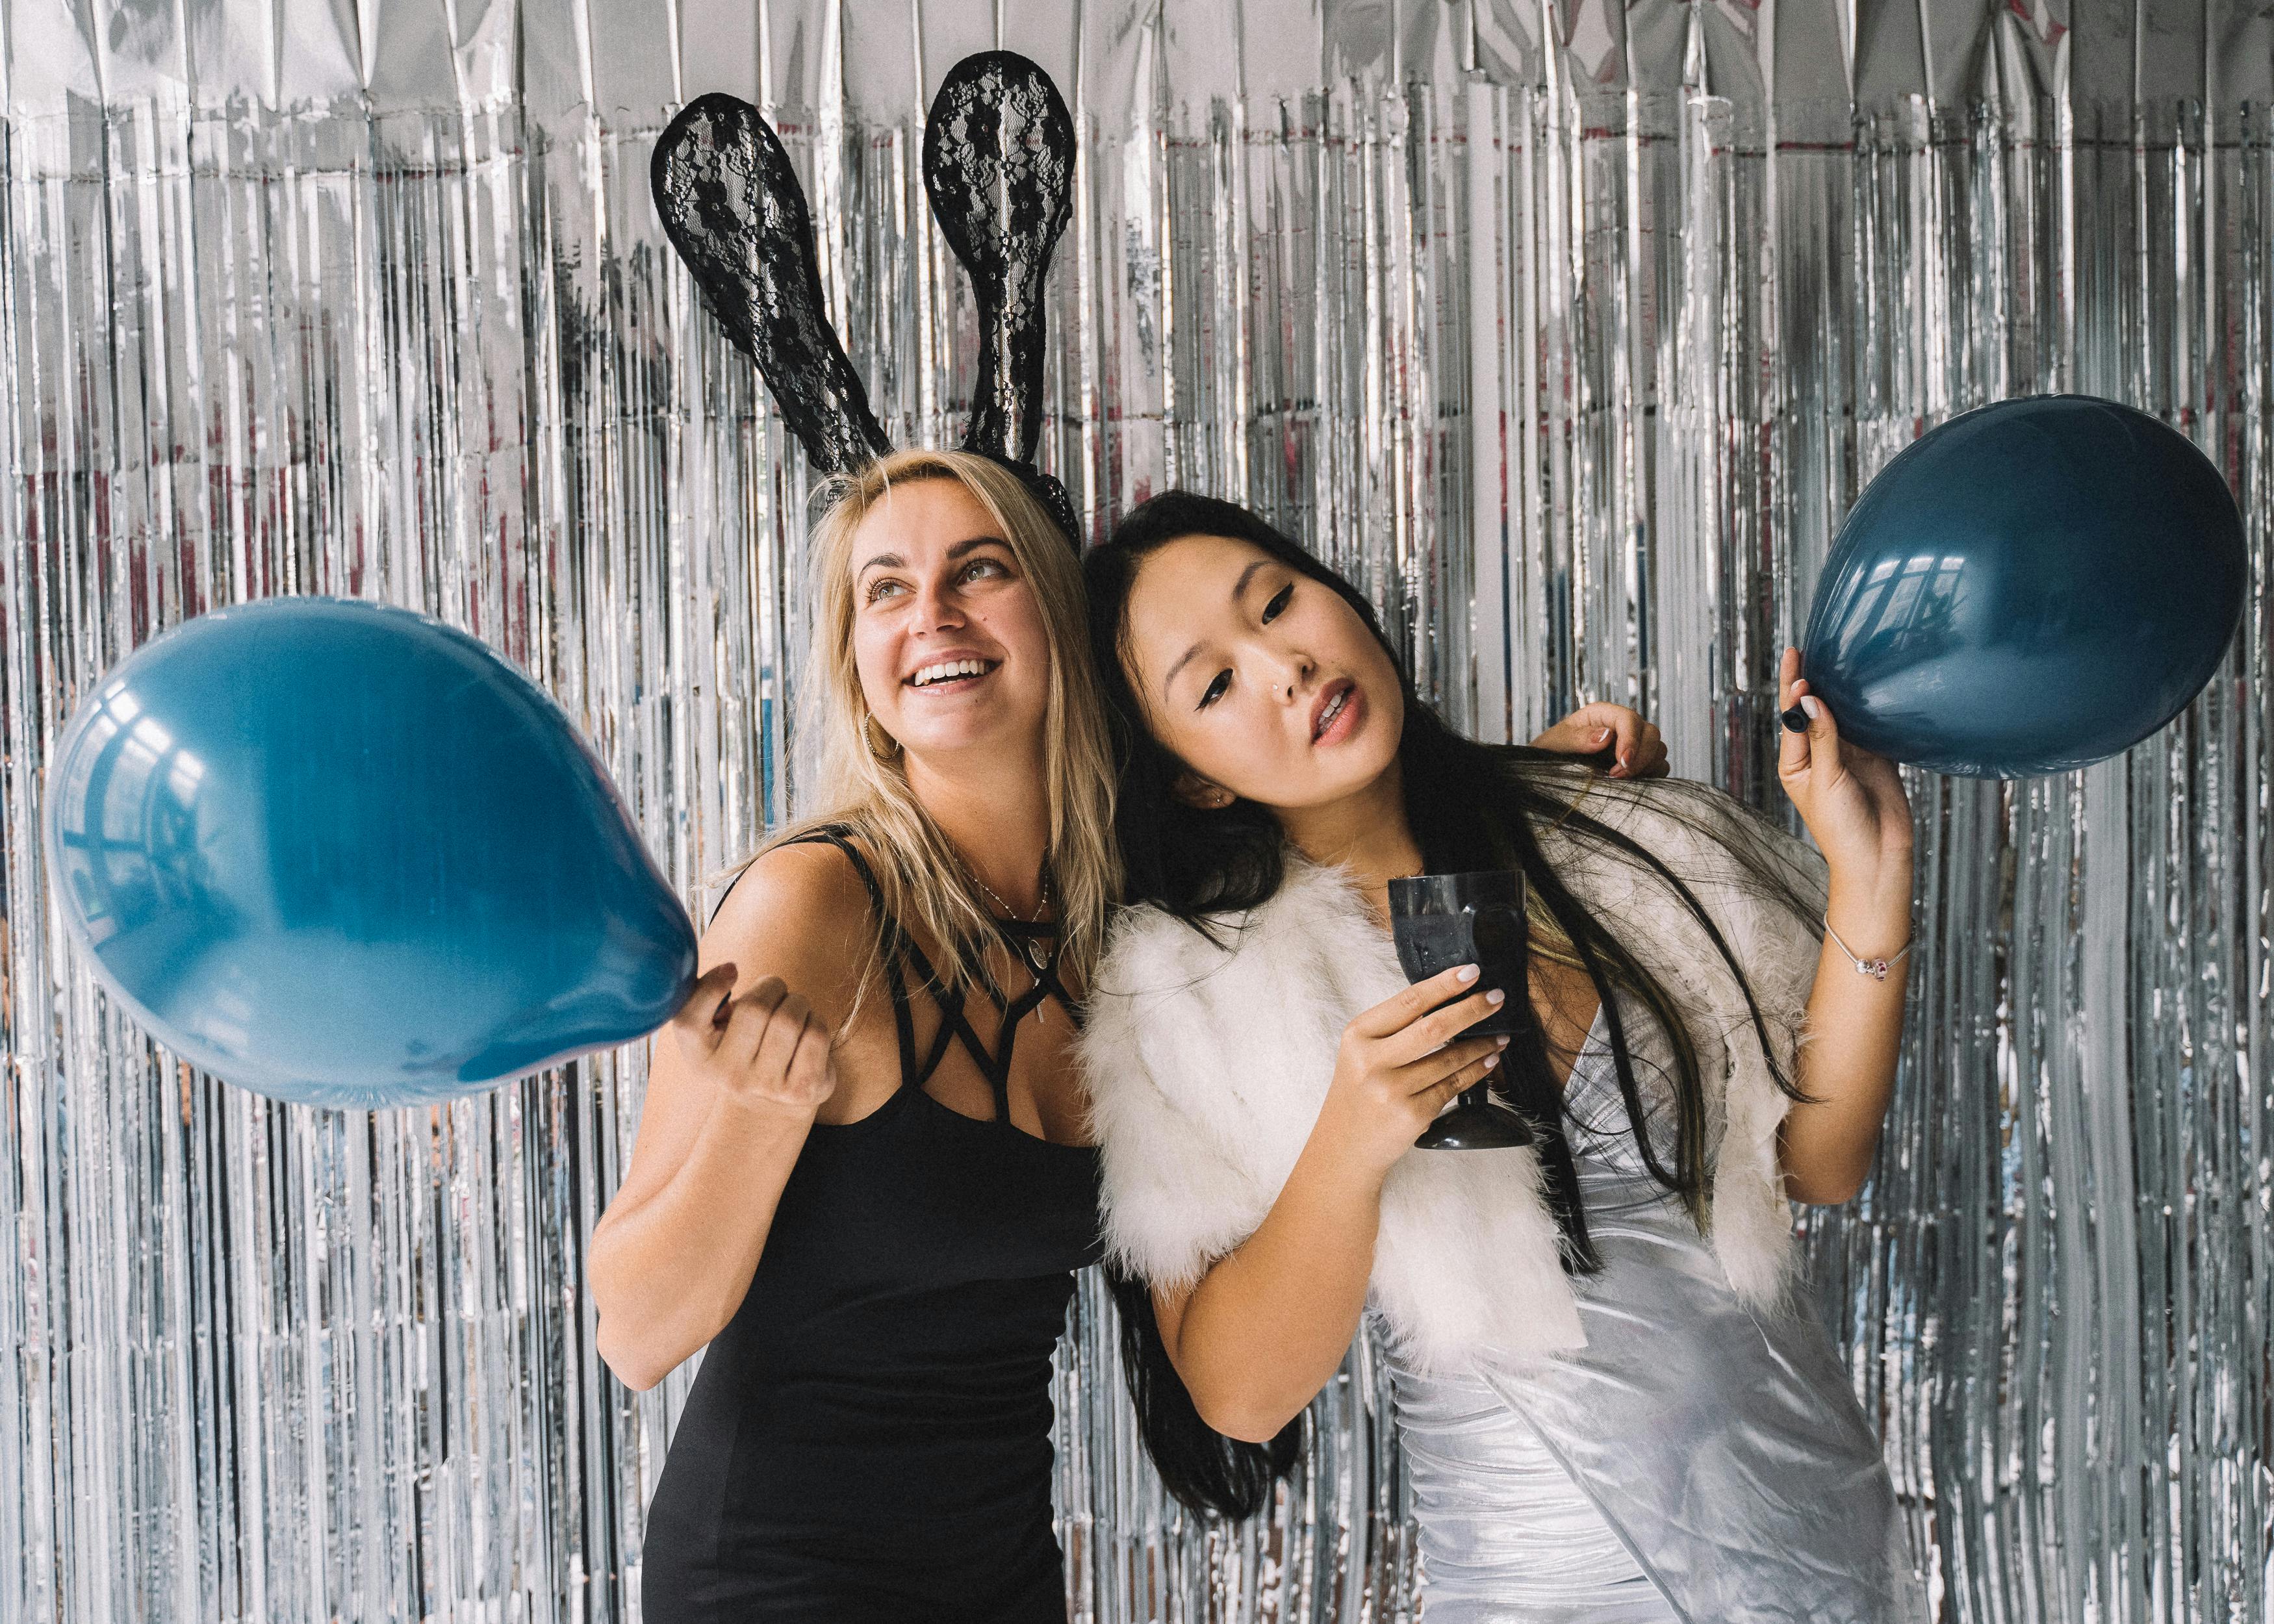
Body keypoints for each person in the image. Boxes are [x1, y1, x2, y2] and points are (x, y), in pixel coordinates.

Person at [585, 453, 1665, 1622]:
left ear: (1059, 622)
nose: (932, 614)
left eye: (977, 569)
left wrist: (1529, 792)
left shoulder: (1123, 935)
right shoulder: (815, 905)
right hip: (772, 1577)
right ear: (858, 666)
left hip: (1003, 1571)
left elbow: (1330, 829)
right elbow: (637, 1334)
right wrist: (752, 1114)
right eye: (884, 591)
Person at [1077, 492, 1927, 1622]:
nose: (1283, 663)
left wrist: (1870, 881)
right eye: (1216, 684)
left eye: (1277, 602)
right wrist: (1350, 1144)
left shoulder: (1621, 835)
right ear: (1194, 776)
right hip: (1543, 1581)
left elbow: (1818, 1164)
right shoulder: (1191, 993)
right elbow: (1237, 1396)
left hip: (1814, 1543)